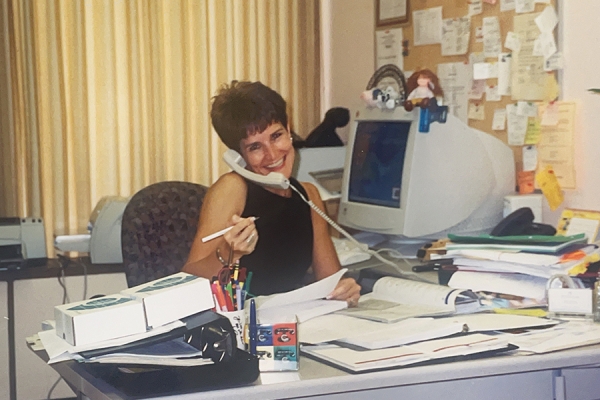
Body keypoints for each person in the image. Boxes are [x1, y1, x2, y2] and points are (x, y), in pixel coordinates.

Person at [182, 80, 361, 306]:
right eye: (255, 147)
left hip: (293, 325)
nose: (272, 153)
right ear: (238, 156)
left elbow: (331, 283)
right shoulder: (233, 189)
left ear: (288, 128)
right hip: (244, 327)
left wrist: (345, 291)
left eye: (277, 136)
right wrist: (227, 253)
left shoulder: (308, 195)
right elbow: (188, 281)